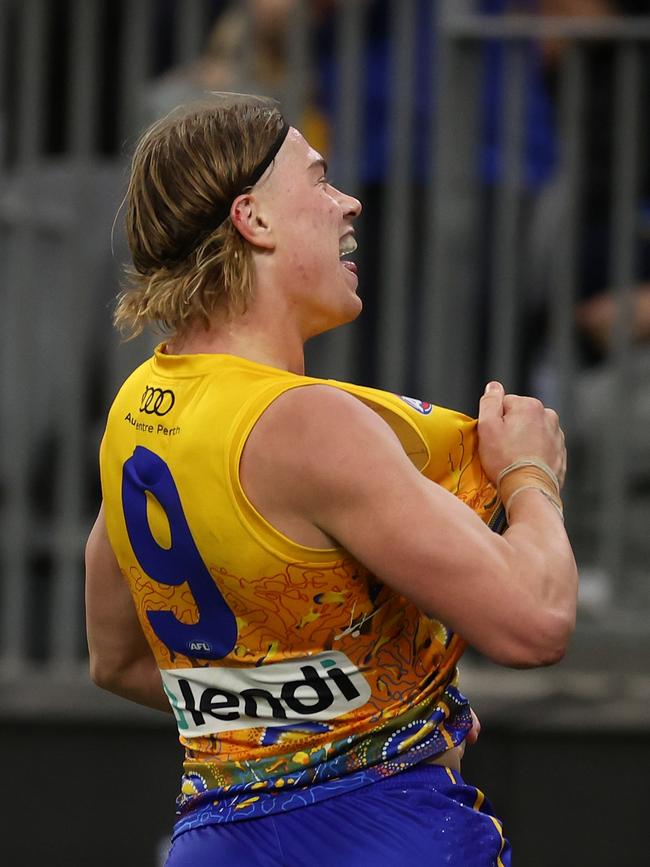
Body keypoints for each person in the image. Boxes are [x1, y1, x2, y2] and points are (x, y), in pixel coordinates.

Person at [85, 94, 577, 867]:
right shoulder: (307, 423)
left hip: (212, 844)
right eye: (318, 177)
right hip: (385, 834)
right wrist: (528, 473)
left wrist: (318, 710)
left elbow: (116, 659)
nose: (347, 201)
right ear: (254, 218)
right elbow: (536, 621)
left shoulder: (140, 411)